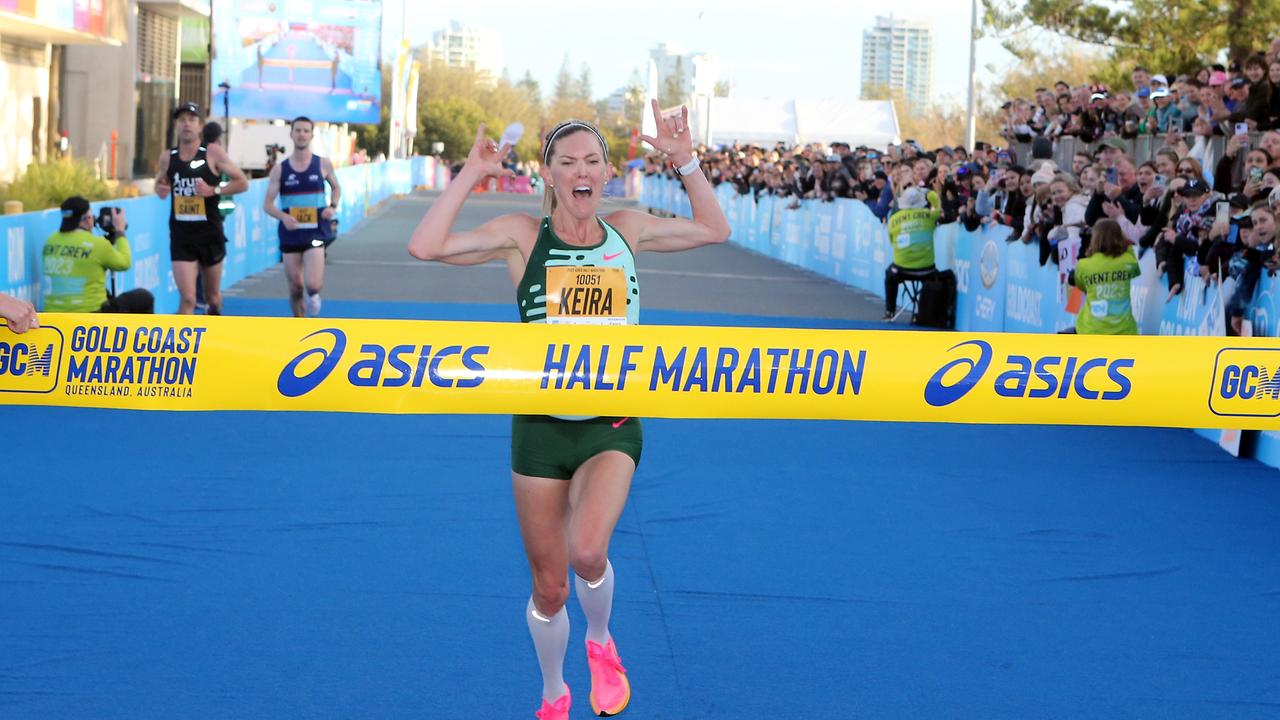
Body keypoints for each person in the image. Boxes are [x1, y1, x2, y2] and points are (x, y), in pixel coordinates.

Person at [406, 101, 730, 720]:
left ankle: (602, 643)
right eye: (567, 162)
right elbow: (425, 247)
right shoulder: (521, 237)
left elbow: (714, 229)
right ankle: (555, 690)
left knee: (588, 553)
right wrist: (473, 172)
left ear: (606, 173)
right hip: (540, 432)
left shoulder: (629, 231)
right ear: (549, 174)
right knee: (550, 588)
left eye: (591, 161)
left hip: (612, 426)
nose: (581, 171)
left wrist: (685, 160)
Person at [154, 102, 249, 315]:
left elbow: (242, 182)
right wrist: (161, 188)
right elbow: (161, 183)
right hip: (181, 236)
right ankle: (177, 347)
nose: (186, 124)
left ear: (200, 126)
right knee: (188, 298)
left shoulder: (212, 153)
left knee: (212, 297)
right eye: (182, 120)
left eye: (191, 120)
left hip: (210, 234)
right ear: (176, 126)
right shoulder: (168, 157)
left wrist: (214, 190)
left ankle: (214, 320)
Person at [264, 116, 341, 317]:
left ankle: (314, 297)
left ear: (312, 135)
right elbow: (268, 205)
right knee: (295, 286)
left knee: (313, 284)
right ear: (291, 134)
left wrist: (332, 207)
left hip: (316, 231)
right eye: (298, 130)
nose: (302, 134)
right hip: (291, 232)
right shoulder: (280, 169)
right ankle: (299, 325)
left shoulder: (323, 164)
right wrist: (283, 217)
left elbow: (336, 188)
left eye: (306, 131)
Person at [41, 197, 153, 314]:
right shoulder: (97, 244)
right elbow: (124, 263)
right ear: (88, 219)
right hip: (92, 314)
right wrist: (120, 231)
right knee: (144, 297)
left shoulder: (50, 240)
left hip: (54, 315)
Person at [1069, 218, 1141, 334]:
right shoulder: (1128, 261)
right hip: (1124, 332)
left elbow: (1081, 285)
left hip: (1091, 330)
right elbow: (1135, 269)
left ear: (1095, 239)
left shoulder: (1084, 265)